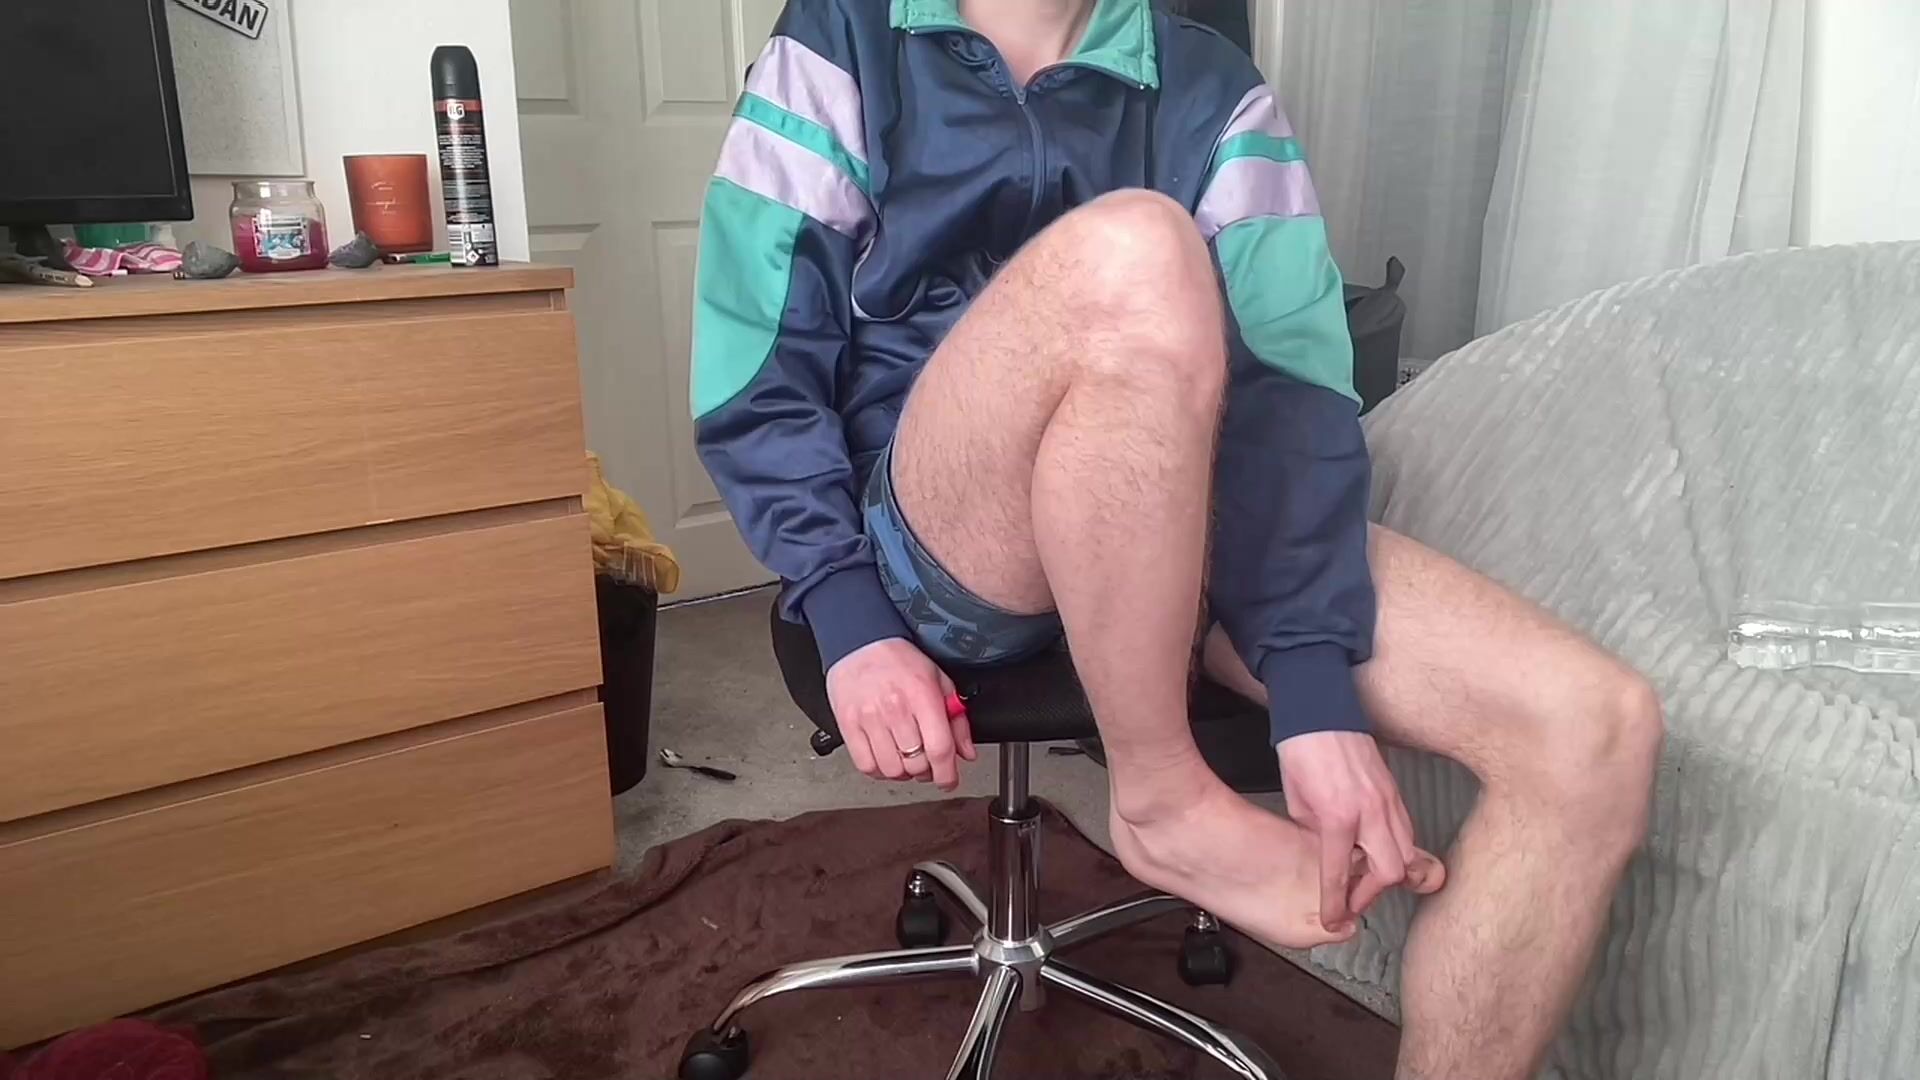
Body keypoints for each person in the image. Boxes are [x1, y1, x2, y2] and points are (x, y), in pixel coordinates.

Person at [690, 1, 1664, 1076]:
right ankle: (1161, 794)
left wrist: (1311, 682)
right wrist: (845, 610)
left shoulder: (1216, 89)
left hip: (1184, 518)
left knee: (1593, 730)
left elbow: (1294, 398)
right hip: (949, 528)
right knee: (1138, 248)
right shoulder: (840, 42)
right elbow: (757, 371)